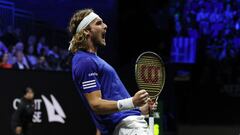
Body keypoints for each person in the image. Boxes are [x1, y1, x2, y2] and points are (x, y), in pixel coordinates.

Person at [68, 9, 157, 135]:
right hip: (129, 128)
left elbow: (104, 114)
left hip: (127, 126)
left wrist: (140, 110)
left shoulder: (92, 60)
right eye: (98, 23)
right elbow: (96, 105)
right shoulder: (84, 61)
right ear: (86, 31)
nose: (105, 26)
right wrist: (132, 102)